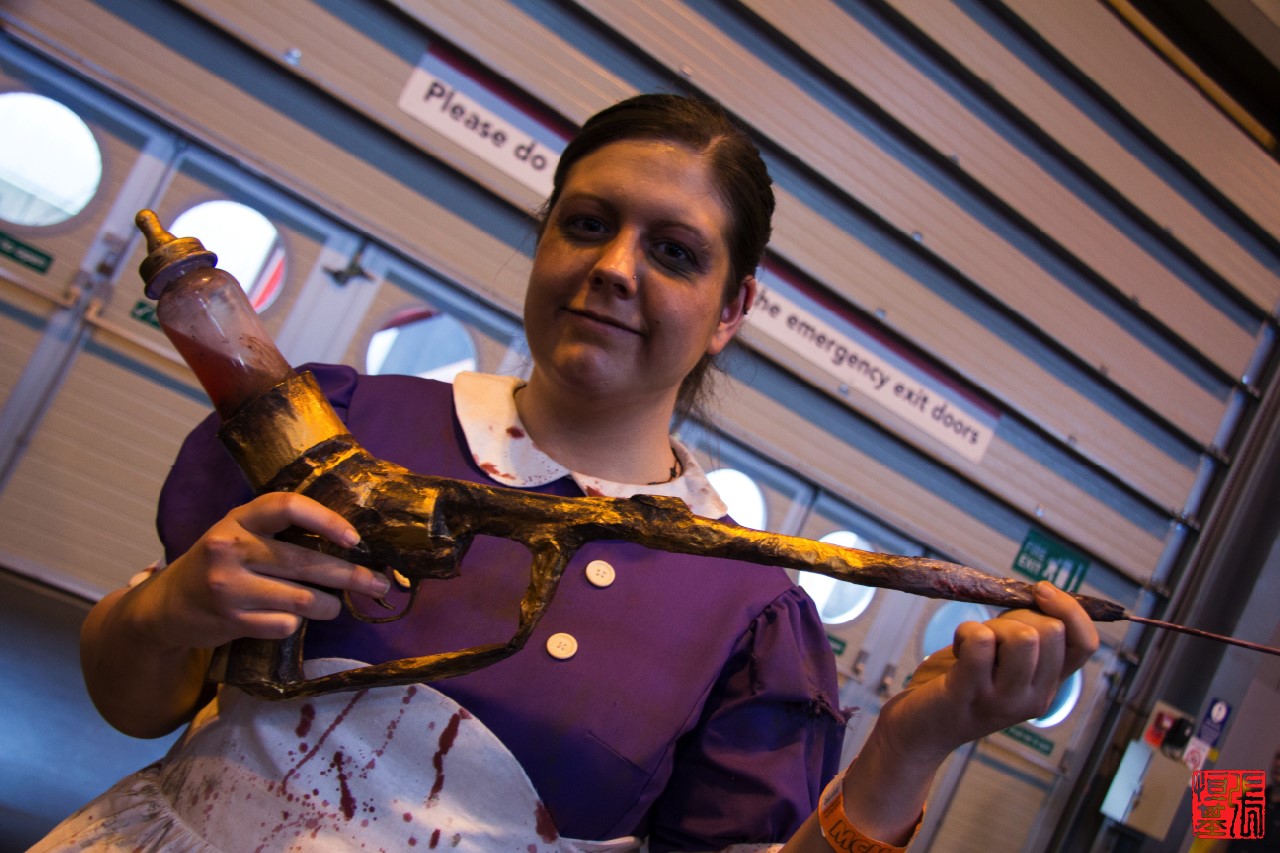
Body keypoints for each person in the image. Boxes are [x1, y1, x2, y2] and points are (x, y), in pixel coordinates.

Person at [39, 93, 1097, 852]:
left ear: (731, 310)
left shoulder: (746, 610)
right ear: (545, 238)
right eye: (587, 225)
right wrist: (171, 609)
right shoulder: (343, 424)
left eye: (674, 252)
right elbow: (131, 698)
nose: (613, 268)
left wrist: (912, 743)